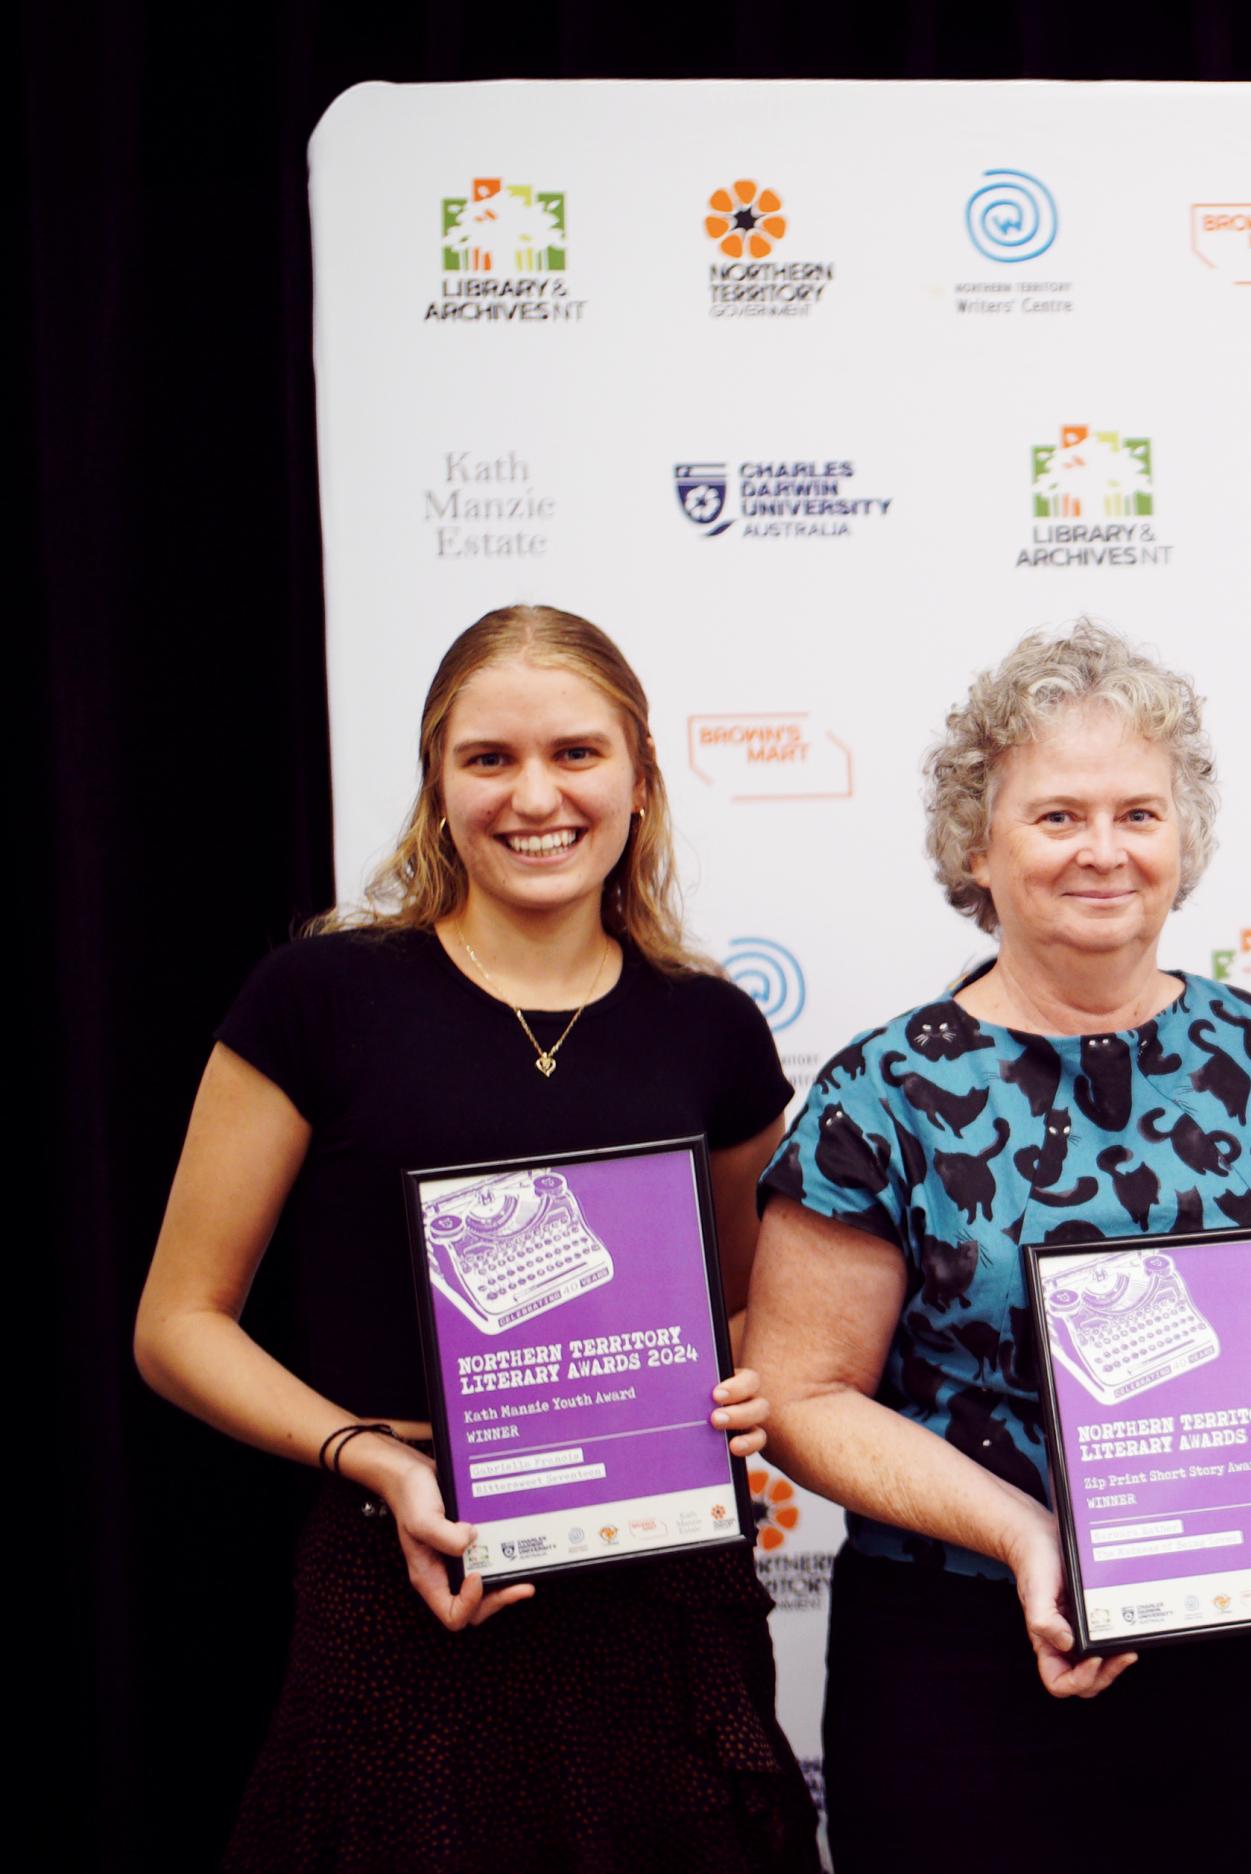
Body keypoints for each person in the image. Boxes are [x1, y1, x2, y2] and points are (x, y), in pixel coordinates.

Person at [133, 605, 819, 1869]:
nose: (535, 795)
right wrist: (374, 1460)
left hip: (658, 1607)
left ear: (639, 780)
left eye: (576, 752)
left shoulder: (711, 1029)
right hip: (408, 1584)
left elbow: (742, 1311)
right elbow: (177, 1325)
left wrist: (740, 1383)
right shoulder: (320, 998)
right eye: (489, 758)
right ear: (438, 783)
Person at [745, 620, 1251, 1873]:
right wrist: (1028, 1535)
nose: (1104, 851)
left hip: (1249, 1642)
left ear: (1186, 839)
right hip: (964, 1662)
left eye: (1138, 813)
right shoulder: (880, 1091)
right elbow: (797, 1390)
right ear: (977, 844)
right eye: (1057, 816)